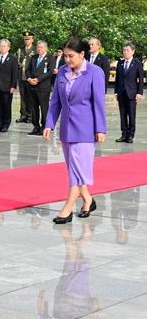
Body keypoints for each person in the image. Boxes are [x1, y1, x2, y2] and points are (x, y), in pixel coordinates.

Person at [43, 37, 106, 224]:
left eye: (71, 56)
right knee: (75, 169)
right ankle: (88, 200)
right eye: (65, 56)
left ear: (82, 54)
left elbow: (99, 103)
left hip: (86, 129)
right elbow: (56, 102)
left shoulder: (95, 72)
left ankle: (67, 208)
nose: (67, 60)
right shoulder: (62, 72)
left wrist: (100, 128)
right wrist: (49, 123)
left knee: (78, 169)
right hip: (67, 129)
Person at [114, 42, 144, 143]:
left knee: (131, 115)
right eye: (124, 50)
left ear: (133, 51)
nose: (125, 52)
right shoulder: (120, 63)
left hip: (132, 93)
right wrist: (116, 92)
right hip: (121, 93)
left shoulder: (137, 63)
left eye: (127, 50)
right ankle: (124, 134)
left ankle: (130, 135)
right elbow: (117, 79)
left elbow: (140, 79)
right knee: (122, 115)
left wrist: (140, 93)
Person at [0, 38, 18, 132]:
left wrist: (13, 86)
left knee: (6, 105)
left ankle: (6, 124)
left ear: (8, 48)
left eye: (4, 46)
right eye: (1, 46)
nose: (2, 48)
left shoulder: (12, 59)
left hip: (7, 86)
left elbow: (15, 73)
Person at [26, 40, 55, 135]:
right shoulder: (34, 57)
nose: (39, 49)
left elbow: (50, 72)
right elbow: (28, 69)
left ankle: (44, 126)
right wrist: (29, 78)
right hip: (32, 86)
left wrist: (38, 79)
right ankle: (35, 126)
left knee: (44, 108)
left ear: (46, 48)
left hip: (43, 87)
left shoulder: (50, 58)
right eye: (38, 47)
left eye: (41, 47)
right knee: (34, 108)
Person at [16, 31, 36, 123]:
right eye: (25, 39)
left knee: (30, 97)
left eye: (28, 39)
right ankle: (23, 115)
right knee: (23, 97)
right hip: (22, 77)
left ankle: (30, 116)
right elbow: (18, 62)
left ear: (32, 40)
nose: (26, 41)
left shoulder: (35, 50)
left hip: (30, 77)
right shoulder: (21, 50)